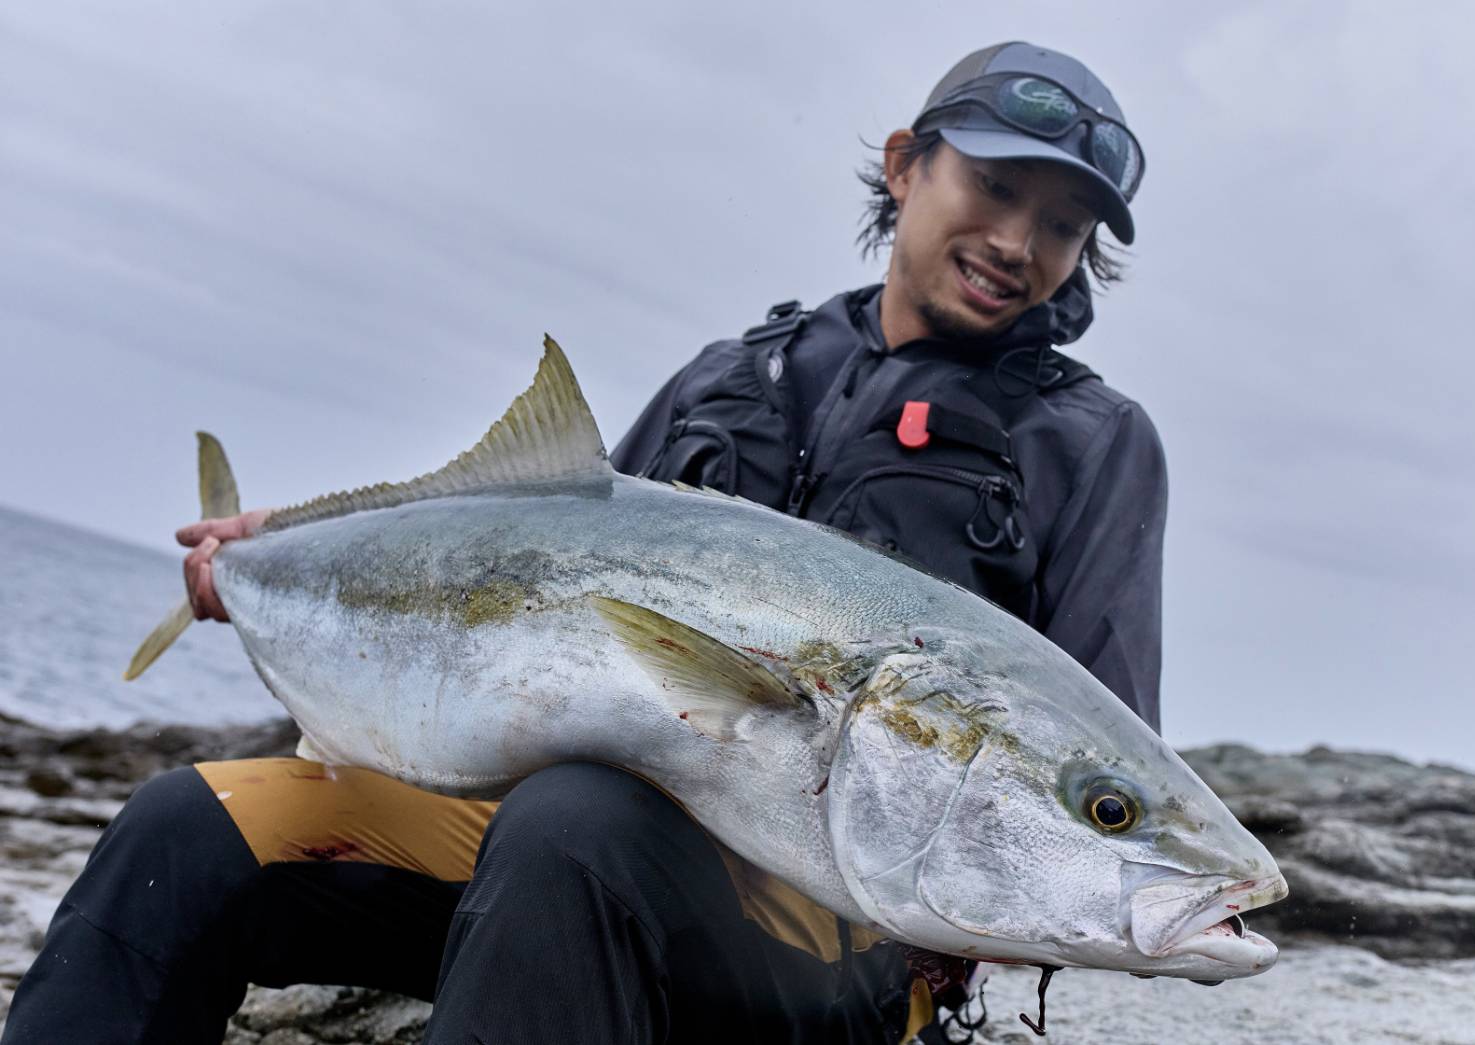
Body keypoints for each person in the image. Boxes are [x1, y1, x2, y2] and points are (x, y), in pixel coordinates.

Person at [2, 41, 1163, 1044]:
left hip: (825, 942)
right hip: (535, 865)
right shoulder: (731, 374)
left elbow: (1099, 740)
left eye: (1060, 225)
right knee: (188, 824)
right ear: (907, 163)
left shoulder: (1090, 441)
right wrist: (282, 561)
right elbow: (528, 568)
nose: (1018, 240)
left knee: (573, 826)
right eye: (995, 186)